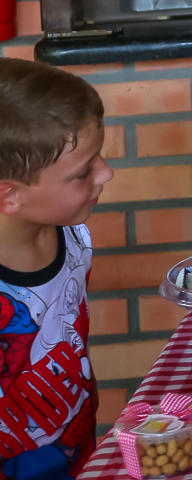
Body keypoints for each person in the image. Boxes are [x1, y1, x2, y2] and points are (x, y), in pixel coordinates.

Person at [0, 58, 115, 480]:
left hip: (78, 456)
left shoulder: (75, 237)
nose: (106, 172)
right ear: (8, 197)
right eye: (83, 171)